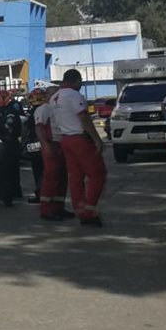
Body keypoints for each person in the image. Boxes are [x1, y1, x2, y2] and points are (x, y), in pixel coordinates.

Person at [51, 69, 107, 227]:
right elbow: (83, 117)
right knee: (98, 174)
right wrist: (97, 139)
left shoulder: (54, 97)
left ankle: (80, 209)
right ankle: (89, 211)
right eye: (80, 80)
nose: (81, 84)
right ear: (76, 80)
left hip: (65, 139)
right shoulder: (73, 95)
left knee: (75, 176)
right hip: (79, 139)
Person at [35, 86, 75, 221]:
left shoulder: (57, 109)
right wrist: (45, 145)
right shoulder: (43, 109)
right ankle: (46, 209)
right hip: (51, 145)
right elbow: (39, 128)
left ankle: (58, 207)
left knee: (62, 177)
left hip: (61, 144)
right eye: (54, 94)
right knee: (51, 177)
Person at [22, 88, 48, 204]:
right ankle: (42, 193)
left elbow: (28, 128)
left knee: (38, 170)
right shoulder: (46, 109)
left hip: (36, 142)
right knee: (44, 170)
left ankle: (41, 193)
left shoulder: (33, 112)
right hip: (43, 142)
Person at [0, 90, 24, 200]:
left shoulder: (10, 110)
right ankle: (14, 190)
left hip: (10, 142)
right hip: (9, 142)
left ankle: (13, 191)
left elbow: (13, 126)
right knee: (11, 169)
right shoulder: (4, 109)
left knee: (10, 169)